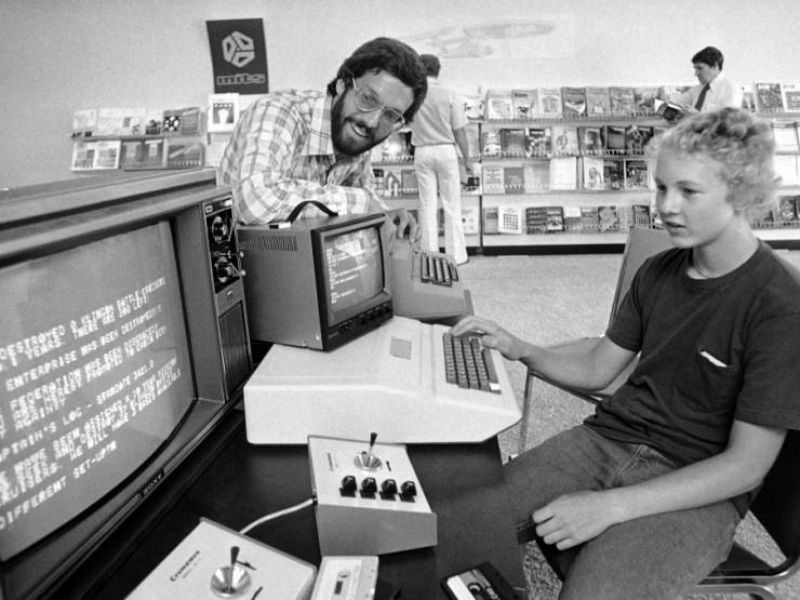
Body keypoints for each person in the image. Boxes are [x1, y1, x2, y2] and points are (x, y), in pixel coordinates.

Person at [452, 107, 800, 600]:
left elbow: (745, 467)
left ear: (741, 193)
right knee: (451, 532)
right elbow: (598, 369)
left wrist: (612, 506)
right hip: (607, 439)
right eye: (660, 188)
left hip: (697, 484)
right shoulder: (659, 271)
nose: (666, 206)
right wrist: (519, 347)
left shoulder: (782, 304)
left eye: (688, 191)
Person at [217, 37, 428, 239]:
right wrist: (365, 204)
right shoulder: (281, 112)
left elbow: (367, 196)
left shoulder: (357, 135)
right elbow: (254, 202)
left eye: (390, 115)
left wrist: (387, 215)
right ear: (342, 84)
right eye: (368, 98)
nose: (372, 121)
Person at [408, 53, 472, 264]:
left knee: (427, 205)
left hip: (422, 151)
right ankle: (457, 256)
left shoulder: (413, 94)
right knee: (452, 203)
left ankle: (429, 255)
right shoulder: (450, 93)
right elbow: (460, 131)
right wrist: (467, 159)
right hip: (446, 151)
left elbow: (405, 123)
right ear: (438, 70)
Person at [659, 46, 742, 112]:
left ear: (714, 67)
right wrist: (662, 93)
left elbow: (729, 123)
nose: (695, 74)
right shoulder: (698, 90)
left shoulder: (731, 89)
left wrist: (698, 117)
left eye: (700, 68)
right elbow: (675, 101)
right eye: (695, 69)